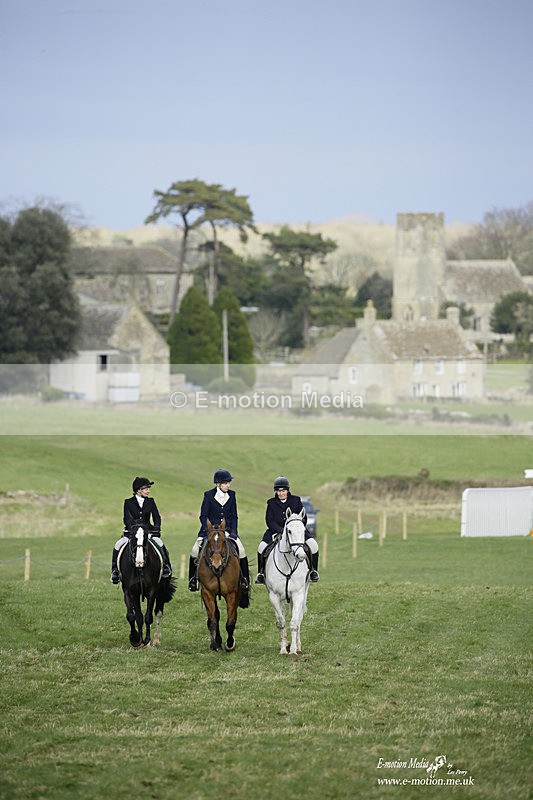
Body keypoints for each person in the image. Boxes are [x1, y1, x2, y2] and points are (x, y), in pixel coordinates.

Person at [188, 469, 250, 592]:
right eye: (226, 483)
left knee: (241, 549)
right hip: (209, 531)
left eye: (229, 483)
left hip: (226, 531)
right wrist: (207, 530)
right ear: (218, 484)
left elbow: (234, 516)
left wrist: (233, 531)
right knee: (195, 550)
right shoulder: (208, 495)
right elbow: (203, 516)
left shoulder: (232, 495)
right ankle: (192, 580)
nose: (228, 485)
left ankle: (244, 579)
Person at [255, 475, 319, 585]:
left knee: (313, 546)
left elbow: (304, 518)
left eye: (283, 490)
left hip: (297, 531)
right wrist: (281, 531)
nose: (281, 493)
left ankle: (313, 571)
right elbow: (269, 520)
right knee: (261, 548)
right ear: (276, 492)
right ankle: (261, 573)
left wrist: (297, 529)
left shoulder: (296, 500)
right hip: (275, 531)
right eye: (278, 491)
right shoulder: (271, 503)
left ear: (287, 490)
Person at [110, 476, 172, 584]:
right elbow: (126, 518)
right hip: (132, 532)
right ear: (138, 490)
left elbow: (156, 517)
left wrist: (157, 529)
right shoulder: (128, 502)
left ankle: (166, 567)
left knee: (160, 543)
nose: (148, 491)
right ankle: (115, 570)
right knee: (118, 545)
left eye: (148, 488)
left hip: (148, 531)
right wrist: (132, 529)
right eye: (146, 489)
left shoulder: (151, 502)